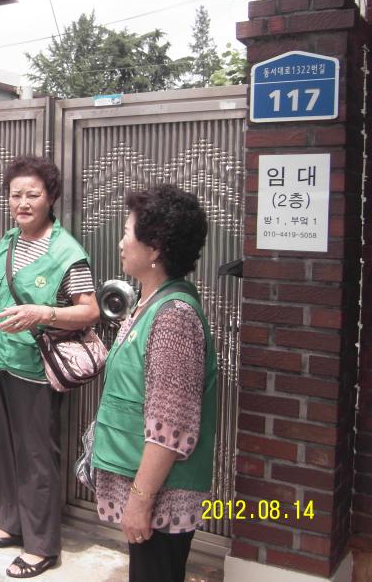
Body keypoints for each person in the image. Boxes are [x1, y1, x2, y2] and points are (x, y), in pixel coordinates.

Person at [0, 155, 99, 579]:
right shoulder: (6, 241)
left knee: (36, 454)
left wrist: (43, 313)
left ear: (51, 199)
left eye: (33, 194)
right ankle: (10, 522)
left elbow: (89, 312)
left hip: (34, 367)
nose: (23, 202)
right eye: (16, 195)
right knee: (1, 448)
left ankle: (42, 544)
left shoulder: (67, 251)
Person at [92, 184, 216, 582]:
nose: (121, 242)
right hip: (148, 490)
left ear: (156, 247)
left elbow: (170, 427)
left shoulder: (173, 317)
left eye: (128, 232)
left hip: (162, 497)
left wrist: (140, 502)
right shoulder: (150, 302)